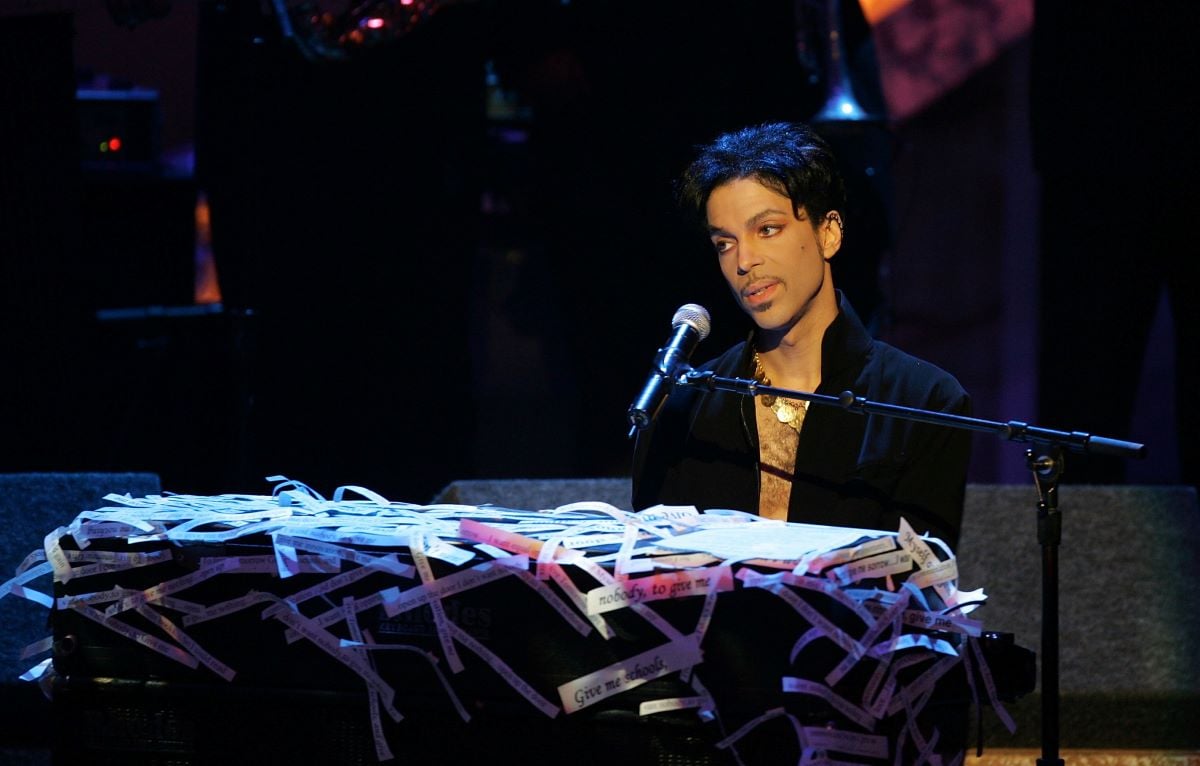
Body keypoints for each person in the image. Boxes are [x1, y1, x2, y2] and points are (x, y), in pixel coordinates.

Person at [631, 121, 972, 549]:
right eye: (724, 243)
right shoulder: (685, 405)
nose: (744, 261)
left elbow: (920, 586)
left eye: (767, 229)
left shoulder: (924, 402)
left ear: (828, 233)